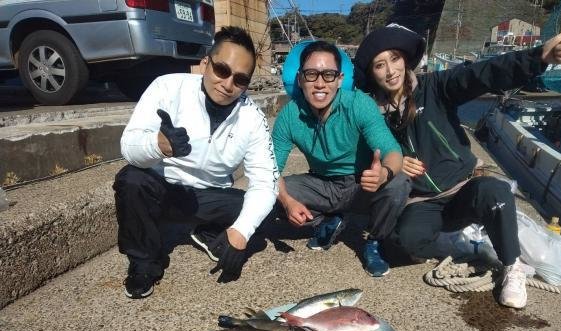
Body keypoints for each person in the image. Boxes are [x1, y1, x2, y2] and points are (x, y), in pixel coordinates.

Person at [353, 23, 561, 307]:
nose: (390, 70)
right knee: (405, 242)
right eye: (379, 65)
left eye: (394, 59)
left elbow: (482, 74)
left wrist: (538, 57)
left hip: (464, 187)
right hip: (423, 201)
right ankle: (468, 238)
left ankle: (512, 266)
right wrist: (394, 161)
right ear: (372, 73)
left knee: (496, 192)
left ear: (405, 60)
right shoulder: (371, 112)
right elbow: (365, 155)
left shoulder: (435, 86)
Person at [114, 26, 279, 299]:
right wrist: (158, 145)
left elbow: (264, 181)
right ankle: (144, 262)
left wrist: (240, 232)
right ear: (205, 63)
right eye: (222, 70)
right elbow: (128, 147)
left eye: (240, 79)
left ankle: (209, 231)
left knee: (266, 210)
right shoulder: (167, 87)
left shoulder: (253, 118)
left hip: (209, 196)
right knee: (131, 179)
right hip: (162, 188)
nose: (228, 84)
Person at [271, 40, 411, 277]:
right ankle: (328, 220)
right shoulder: (289, 115)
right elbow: (270, 169)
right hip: (322, 184)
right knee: (268, 195)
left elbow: (393, 152)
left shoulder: (359, 104)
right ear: (300, 78)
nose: (320, 83)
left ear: (339, 79)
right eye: (311, 74)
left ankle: (374, 241)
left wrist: (383, 173)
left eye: (328, 75)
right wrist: (286, 201)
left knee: (399, 182)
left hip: (361, 184)